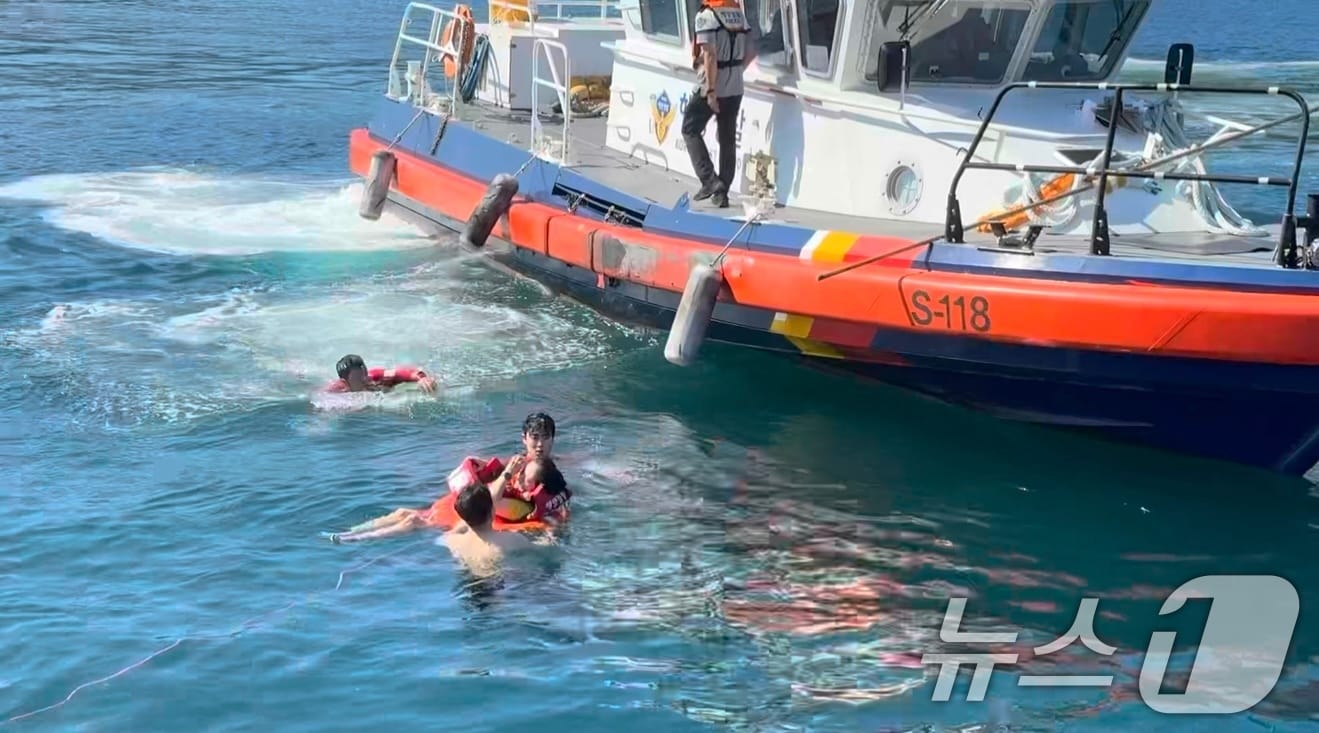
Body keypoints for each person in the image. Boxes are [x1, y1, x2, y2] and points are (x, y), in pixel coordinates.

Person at [682, 0, 757, 209]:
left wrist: (711, 91)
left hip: (715, 87)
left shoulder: (706, 16)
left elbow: (710, 55)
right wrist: (736, 70)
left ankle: (709, 181)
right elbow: (752, 50)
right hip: (736, 86)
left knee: (690, 129)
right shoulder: (738, 15)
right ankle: (722, 192)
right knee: (727, 138)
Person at [323, 353, 437, 394]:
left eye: (365, 374)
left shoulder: (375, 377)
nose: (365, 379)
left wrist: (422, 378)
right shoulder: (337, 389)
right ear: (345, 382)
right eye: (358, 377)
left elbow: (406, 372)